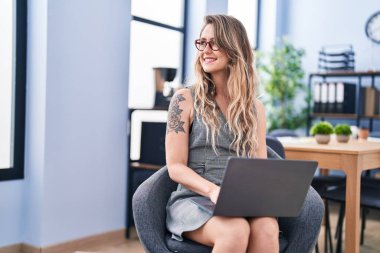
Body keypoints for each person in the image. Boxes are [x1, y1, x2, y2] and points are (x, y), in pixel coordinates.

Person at [165, 15, 279, 253]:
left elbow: (260, 167)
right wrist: (213, 190)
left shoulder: (255, 109)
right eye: (202, 42)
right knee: (235, 230)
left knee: (267, 228)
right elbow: (175, 167)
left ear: (234, 49)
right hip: (194, 199)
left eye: (214, 43)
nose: (205, 50)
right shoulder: (184, 99)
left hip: (239, 200)